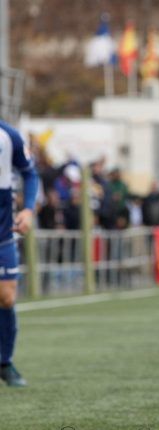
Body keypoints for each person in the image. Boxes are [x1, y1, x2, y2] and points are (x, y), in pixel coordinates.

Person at [0, 120, 39, 387]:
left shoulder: (8, 135)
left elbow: (31, 173)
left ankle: (5, 362)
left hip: (2, 234)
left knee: (6, 296)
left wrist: (28, 209)